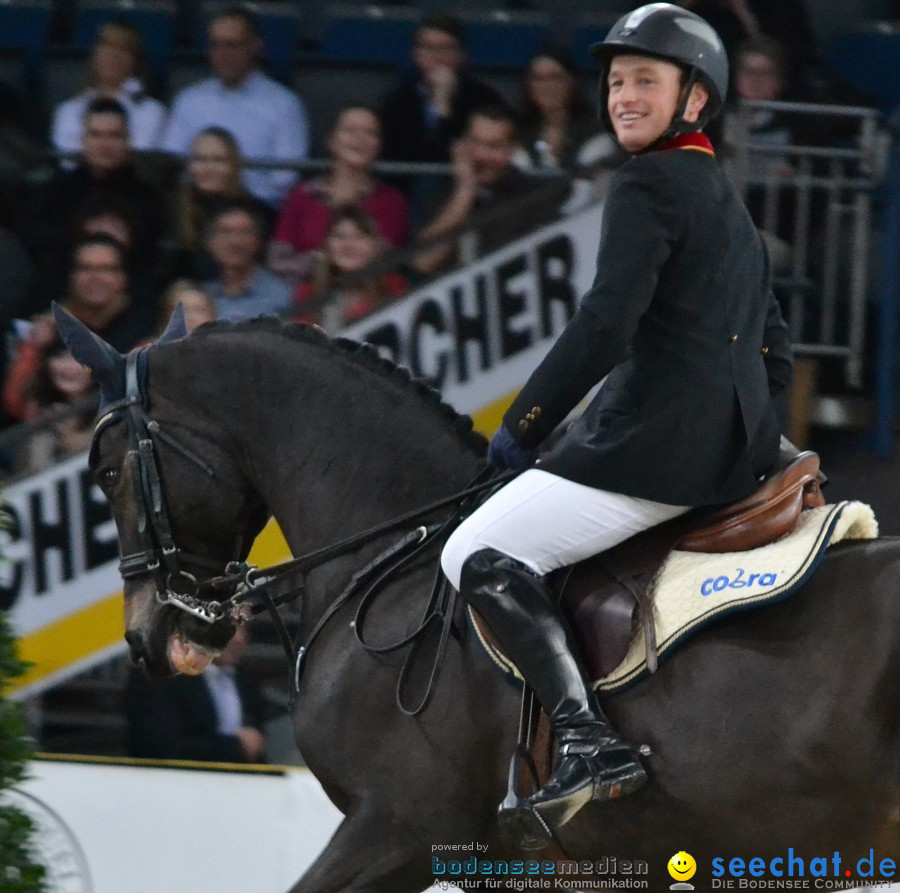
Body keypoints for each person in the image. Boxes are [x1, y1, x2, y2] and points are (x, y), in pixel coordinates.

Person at [440, 3, 792, 833]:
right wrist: (754, 438)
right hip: (728, 454)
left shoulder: (646, 181)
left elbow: (606, 324)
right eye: (616, 82)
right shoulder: (720, 192)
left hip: (654, 453)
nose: (624, 96)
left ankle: (587, 740)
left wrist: (525, 422)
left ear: (695, 99)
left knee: (473, 552)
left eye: (645, 81)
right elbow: (775, 343)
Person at [159, 5, 309, 208]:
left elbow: (285, 177)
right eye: (216, 45)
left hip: (256, 211)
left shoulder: (284, 104)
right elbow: (172, 164)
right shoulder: (189, 100)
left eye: (232, 45)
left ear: (255, 47)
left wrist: (238, 200)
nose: (223, 54)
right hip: (196, 208)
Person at [23, 97, 163, 312]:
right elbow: (34, 241)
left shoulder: (148, 197)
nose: (104, 144)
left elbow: (154, 258)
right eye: (96, 135)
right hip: (61, 290)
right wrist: (81, 234)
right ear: (82, 140)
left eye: (114, 135)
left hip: (131, 299)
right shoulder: (55, 191)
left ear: (128, 140)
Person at [3, 234, 158, 422]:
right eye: (85, 268)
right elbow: (14, 402)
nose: (95, 277)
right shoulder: (53, 326)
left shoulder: (145, 325)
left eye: (107, 269)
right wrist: (34, 349)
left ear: (123, 277)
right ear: (72, 277)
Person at [413, 104, 569, 277]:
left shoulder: (535, 196)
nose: (483, 156)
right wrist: (464, 192)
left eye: (494, 146)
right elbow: (423, 262)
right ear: (461, 145)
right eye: (476, 143)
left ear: (512, 149)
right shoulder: (434, 190)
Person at [269, 105, 409, 291]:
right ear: (331, 141)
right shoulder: (301, 195)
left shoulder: (391, 201)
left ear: (379, 145)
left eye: (370, 133)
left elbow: (387, 261)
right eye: (350, 131)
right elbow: (279, 261)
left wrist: (323, 259)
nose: (360, 140)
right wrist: (327, 261)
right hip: (305, 298)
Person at [125, 624, 268, 763]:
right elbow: (161, 748)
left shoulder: (246, 681)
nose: (239, 638)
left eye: (243, 627)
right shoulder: (158, 675)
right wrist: (236, 747)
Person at [379, 13, 504, 166]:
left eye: (446, 48)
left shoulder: (484, 99)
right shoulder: (397, 102)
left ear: (462, 55)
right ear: (415, 55)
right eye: (428, 48)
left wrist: (443, 104)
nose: (437, 57)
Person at [51, 20, 166, 158]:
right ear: (94, 54)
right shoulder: (68, 110)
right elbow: (65, 157)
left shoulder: (151, 112)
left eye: (123, 48)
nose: (113, 55)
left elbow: (141, 156)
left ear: (135, 59)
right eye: (106, 46)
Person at [167, 126, 270, 281]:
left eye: (219, 160)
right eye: (200, 159)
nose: (209, 168)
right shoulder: (173, 207)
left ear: (234, 165)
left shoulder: (255, 211)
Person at [293, 205, 408, 333]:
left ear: (375, 245)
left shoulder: (393, 286)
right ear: (327, 245)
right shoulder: (308, 293)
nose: (348, 245)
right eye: (340, 236)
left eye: (359, 237)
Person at [515, 46, 619, 174]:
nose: (547, 86)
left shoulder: (595, 132)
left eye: (555, 77)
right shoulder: (514, 130)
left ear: (572, 82)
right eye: (538, 78)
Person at [11, 337, 98, 476]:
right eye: (60, 357)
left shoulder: (114, 408)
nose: (68, 367)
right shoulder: (38, 415)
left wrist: (76, 440)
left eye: (77, 357)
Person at [203, 199, 292, 321]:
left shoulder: (281, 296)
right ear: (210, 243)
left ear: (258, 242)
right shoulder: (202, 295)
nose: (235, 242)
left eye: (245, 233)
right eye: (225, 232)